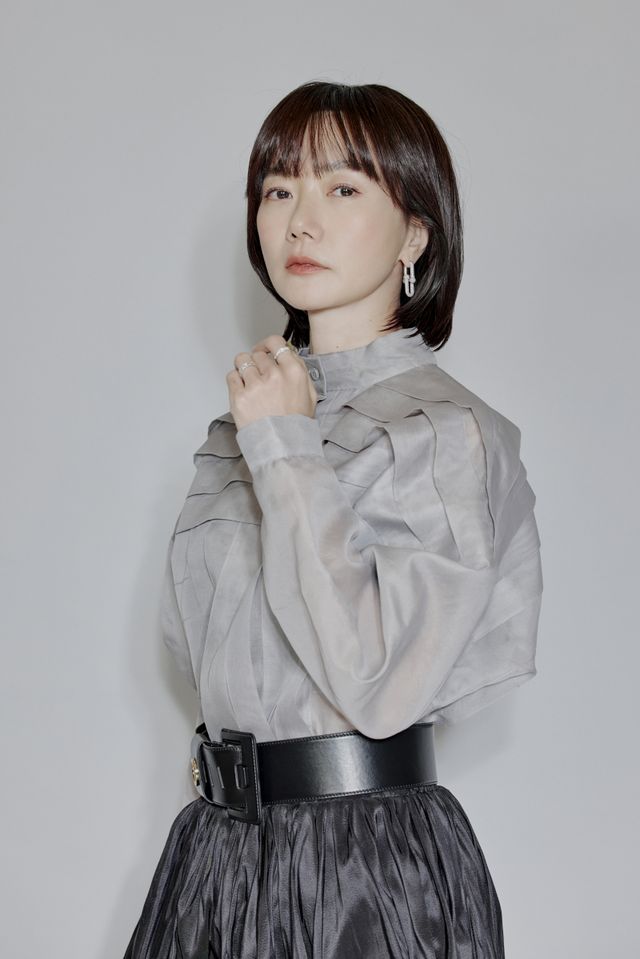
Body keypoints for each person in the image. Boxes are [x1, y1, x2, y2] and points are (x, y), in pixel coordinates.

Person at [123, 80, 544, 959]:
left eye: (342, 187)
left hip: (364, 869)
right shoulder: (242, 427)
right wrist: (269, 436)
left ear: (415, 232)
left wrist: (285, 449)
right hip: (213, 856)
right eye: (279, 189)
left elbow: (378, 683)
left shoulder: (445, 432)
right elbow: (198, 655)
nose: (299, 221)